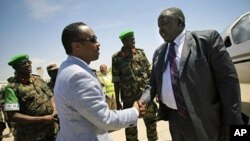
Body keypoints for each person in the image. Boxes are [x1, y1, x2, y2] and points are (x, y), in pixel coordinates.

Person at [138, 7, 243, 141]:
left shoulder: (207, 40)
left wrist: (233, 121)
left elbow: (228, 81)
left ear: (180, 22)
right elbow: (152, 82)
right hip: (174, 118)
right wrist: (143, 100)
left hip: (205, 117)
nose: (160, 30)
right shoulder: (159, 52)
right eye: (159, 27)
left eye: (164, 24)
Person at [54, 22, 143, 141]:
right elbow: (106, 120)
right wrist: (135, 111)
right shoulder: (78, 76)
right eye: (93, 39)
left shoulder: (67, 67)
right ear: (77, 46)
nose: (98, 43)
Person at [112, 30, 158, 141]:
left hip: (145, 96)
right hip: (129, 98)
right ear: (123, 41)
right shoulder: (117, 58)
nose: (133, 40)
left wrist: (155, 92)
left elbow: (150, 73)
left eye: (133, 38)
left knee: (151, 123)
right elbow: (116, 80)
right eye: (130, 39)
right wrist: (118, 101)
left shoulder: (140, 53)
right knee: (130, 127)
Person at [4, 54, 58, 141]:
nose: (28, 64)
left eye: (28, 62)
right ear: (15, 67)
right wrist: (42, 119)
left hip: (52, 131)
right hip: (31, 136)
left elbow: (50, 96)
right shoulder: (12, 88)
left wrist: (55, 109)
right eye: (23, 63)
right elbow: (12, 115)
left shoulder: (38, 79)